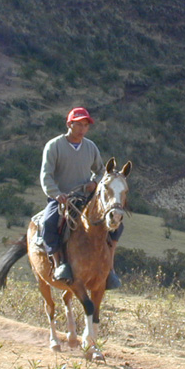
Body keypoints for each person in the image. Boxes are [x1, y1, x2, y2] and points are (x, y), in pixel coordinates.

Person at [40, 107, 122, 289]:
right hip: (63, 198)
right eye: (79, 125)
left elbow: (101, 171)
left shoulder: (90, 147)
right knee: (49, 223)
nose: (82, 129)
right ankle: (59, 263)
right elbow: (46, 175)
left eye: (85, 126)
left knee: (117, 224)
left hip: (87, 198)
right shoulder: (54, 146)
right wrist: (56, 194)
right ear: (69, 124)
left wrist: (95, 182)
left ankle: (110, 268)